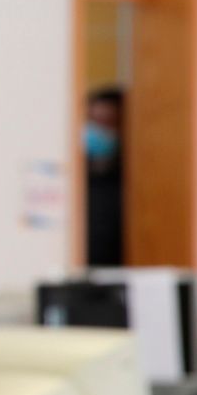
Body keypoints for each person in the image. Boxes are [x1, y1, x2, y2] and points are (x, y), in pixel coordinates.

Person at [85, 86, 125, 266]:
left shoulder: (136, 185)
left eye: (107, 123)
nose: (97, 131)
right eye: (92, 121)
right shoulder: (77, 181)